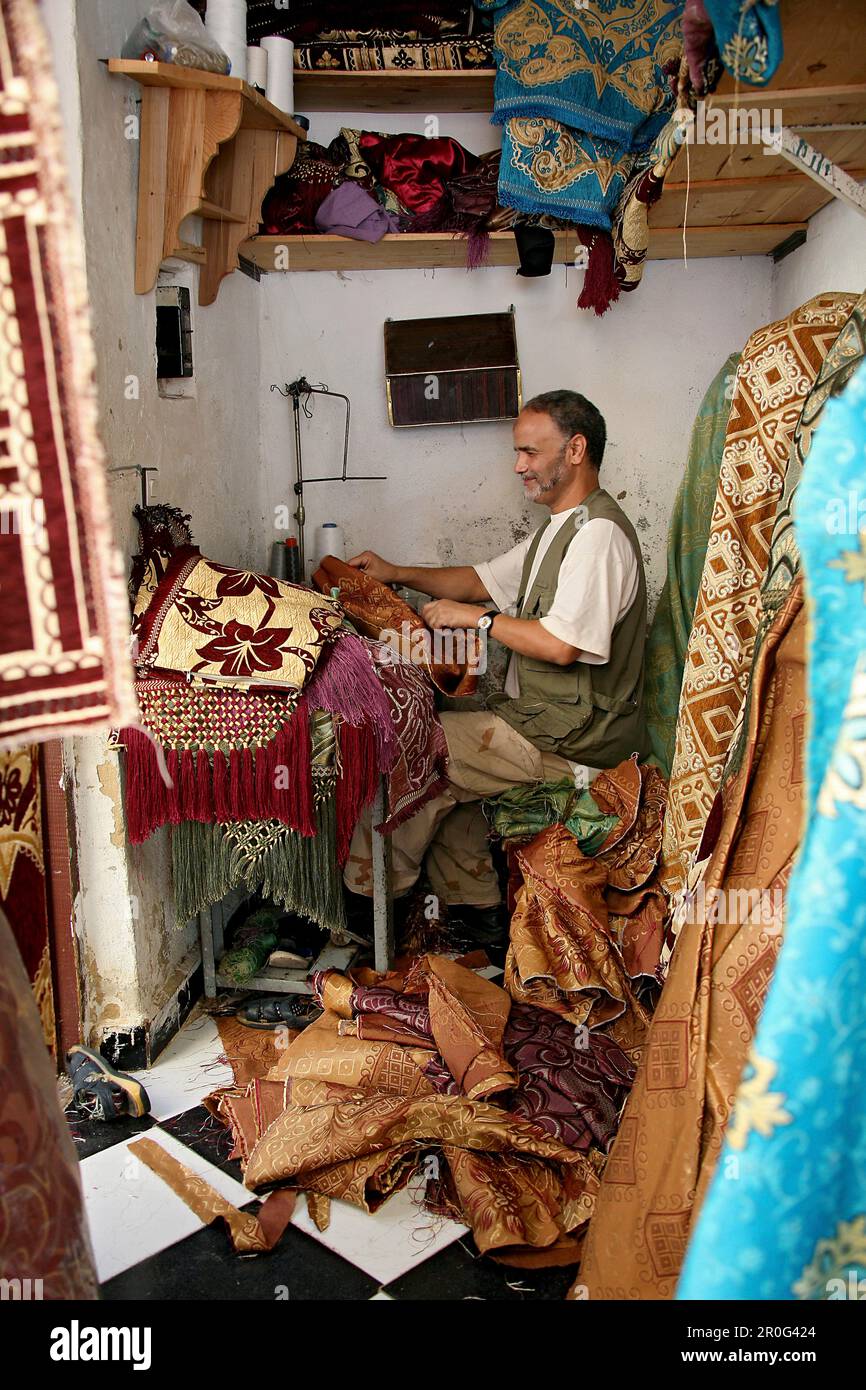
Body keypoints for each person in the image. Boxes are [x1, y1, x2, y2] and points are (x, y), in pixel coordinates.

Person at [345, 390, 650, 944]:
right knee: (452, 771)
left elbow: (562, 645)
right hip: (544, 722)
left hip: (576, 744)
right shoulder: (561, 528)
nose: (518, 466)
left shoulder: (598, 536)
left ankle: (367, 911)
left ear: (576, 449)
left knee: (413, 749)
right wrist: (396, 571)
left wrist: (479, 620)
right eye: (518, 453)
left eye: (530, 453)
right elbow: (478, 579)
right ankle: (478, 915)